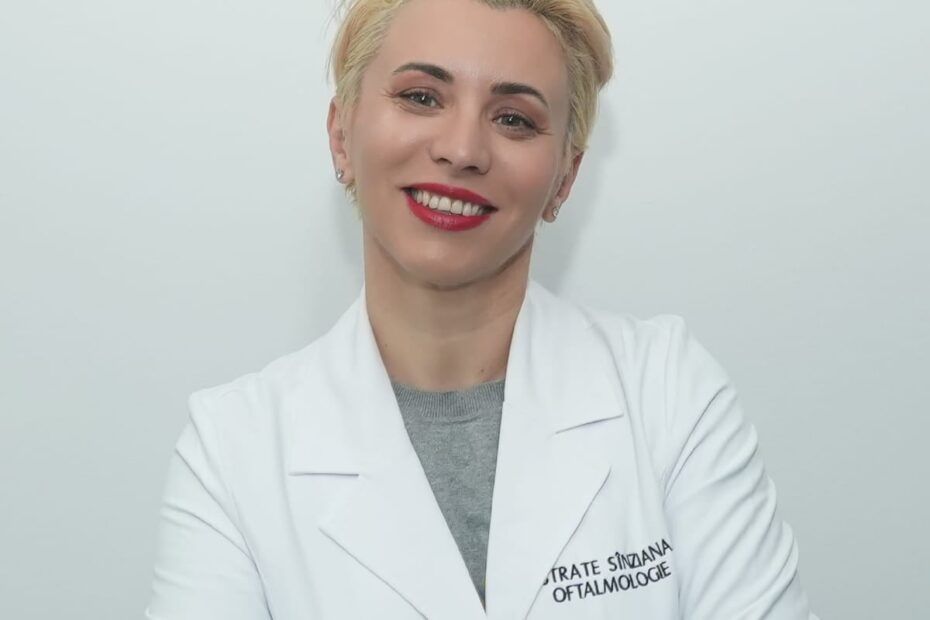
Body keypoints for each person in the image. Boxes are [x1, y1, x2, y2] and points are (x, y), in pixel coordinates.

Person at [145, 0, 819, 618]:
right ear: (342, 135)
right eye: (421, 97)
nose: (462, 150)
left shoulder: (666, 392)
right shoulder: (233, 450)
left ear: (565, 178)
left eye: (514, 118)